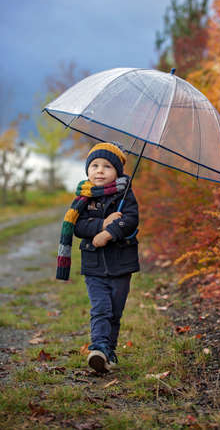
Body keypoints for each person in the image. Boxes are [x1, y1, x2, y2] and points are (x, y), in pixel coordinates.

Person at [56, 141, 139, 373]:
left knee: (115, 310)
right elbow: (79, 226)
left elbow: (131, 220)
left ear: (117, 172)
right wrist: (102, 224)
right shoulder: (84, 197)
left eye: (106, 166)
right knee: (101, 308)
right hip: (94, 265)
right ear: (87, 170)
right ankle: (98, 346)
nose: (100, 170)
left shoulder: (126, 194)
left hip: (122, 264)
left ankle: (107, 352)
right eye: (94, 165)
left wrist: (110, 233)